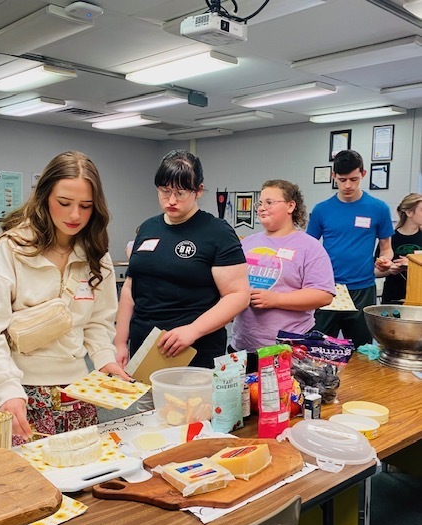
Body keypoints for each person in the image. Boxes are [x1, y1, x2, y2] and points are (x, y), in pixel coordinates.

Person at [0, 150, 130, 448]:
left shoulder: (96, 256)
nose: (75, 215)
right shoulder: (12, 249)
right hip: (15, 390)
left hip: (74, 391)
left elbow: (97, 322)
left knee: (74, 481)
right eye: (64, 203)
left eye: (86, 206)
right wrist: (6, 388)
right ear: (44, 197)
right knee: (10, 484)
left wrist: (105, 360)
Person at [114, 149, 250, 373]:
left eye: (180, 193)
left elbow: (238, 296)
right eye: (165, 191)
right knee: (149, 408)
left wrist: (193, 330)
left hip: (194, 351)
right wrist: (120, 341)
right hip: (144, 347)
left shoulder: (217, 232)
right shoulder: (148, 228)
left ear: (198, 191)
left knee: (191, 408)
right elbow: (131, 288)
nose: (171, 200)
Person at [230, 179, 335, 372]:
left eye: (269, 203)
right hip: (242, 346)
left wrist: (276, 299)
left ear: (290, 206)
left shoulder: (310, 247)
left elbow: (324, 294)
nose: (262, 208)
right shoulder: (247, 243)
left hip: (286, 349)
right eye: (259, 203)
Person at [307, 149, 394, 348]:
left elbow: (387, 249)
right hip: (328, 289)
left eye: (354, 179)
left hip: (362, 289)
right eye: (342, 179)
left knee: (361, 350)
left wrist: (385, 260)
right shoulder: (322, 210)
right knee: (319, 348)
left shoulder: (378, 208)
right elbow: (309, 249)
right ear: (333, 177)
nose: (348, 185)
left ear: (363, 174)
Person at [374, 193, 422, 304]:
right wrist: (390, 270)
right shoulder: (390, 238)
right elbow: (375, 272)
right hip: (393, 296)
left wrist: (412, 264)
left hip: (418, 297)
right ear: (409, 212)